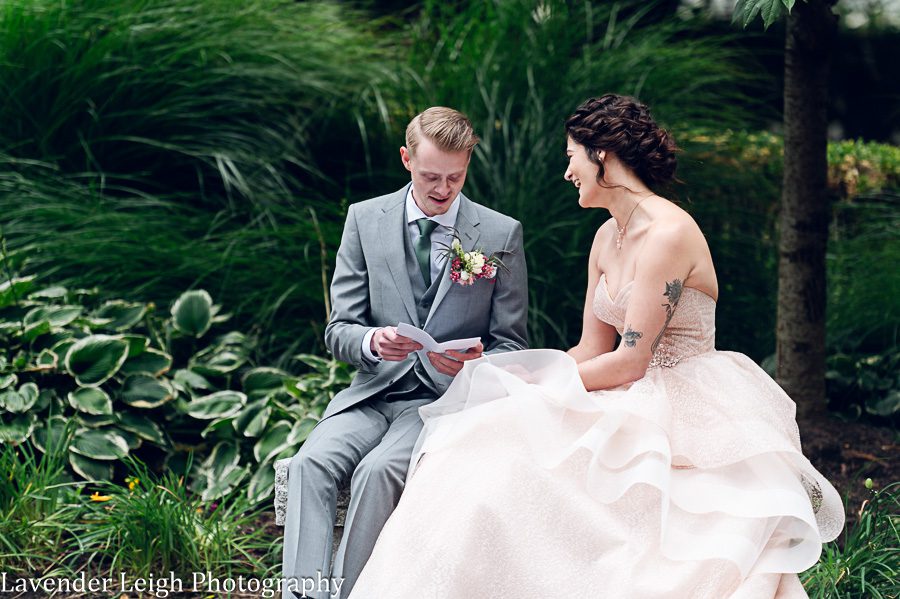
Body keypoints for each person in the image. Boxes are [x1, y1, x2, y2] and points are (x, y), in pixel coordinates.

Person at [348, 95, 844, 598]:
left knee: (530, 465)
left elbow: (631, 360)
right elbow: (589, 347)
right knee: (480, 444)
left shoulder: (668, 232)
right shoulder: (608, 236)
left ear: (601, 154)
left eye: (571, 156)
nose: (568, 171)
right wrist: (515, 378)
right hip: (622, 389)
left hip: (680, 400)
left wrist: (541, 389)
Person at [280, 107, 529, 599]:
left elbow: (512, 342)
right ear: (405, 159)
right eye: (430, 176)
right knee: (310, 464)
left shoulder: (501, 234)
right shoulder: (363, 219)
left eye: (454, 177)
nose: (442, 189)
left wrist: (474, 363)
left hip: (442, 402)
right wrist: (373, 341)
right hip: (372, 392)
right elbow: (338, 329)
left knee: (378, 472)